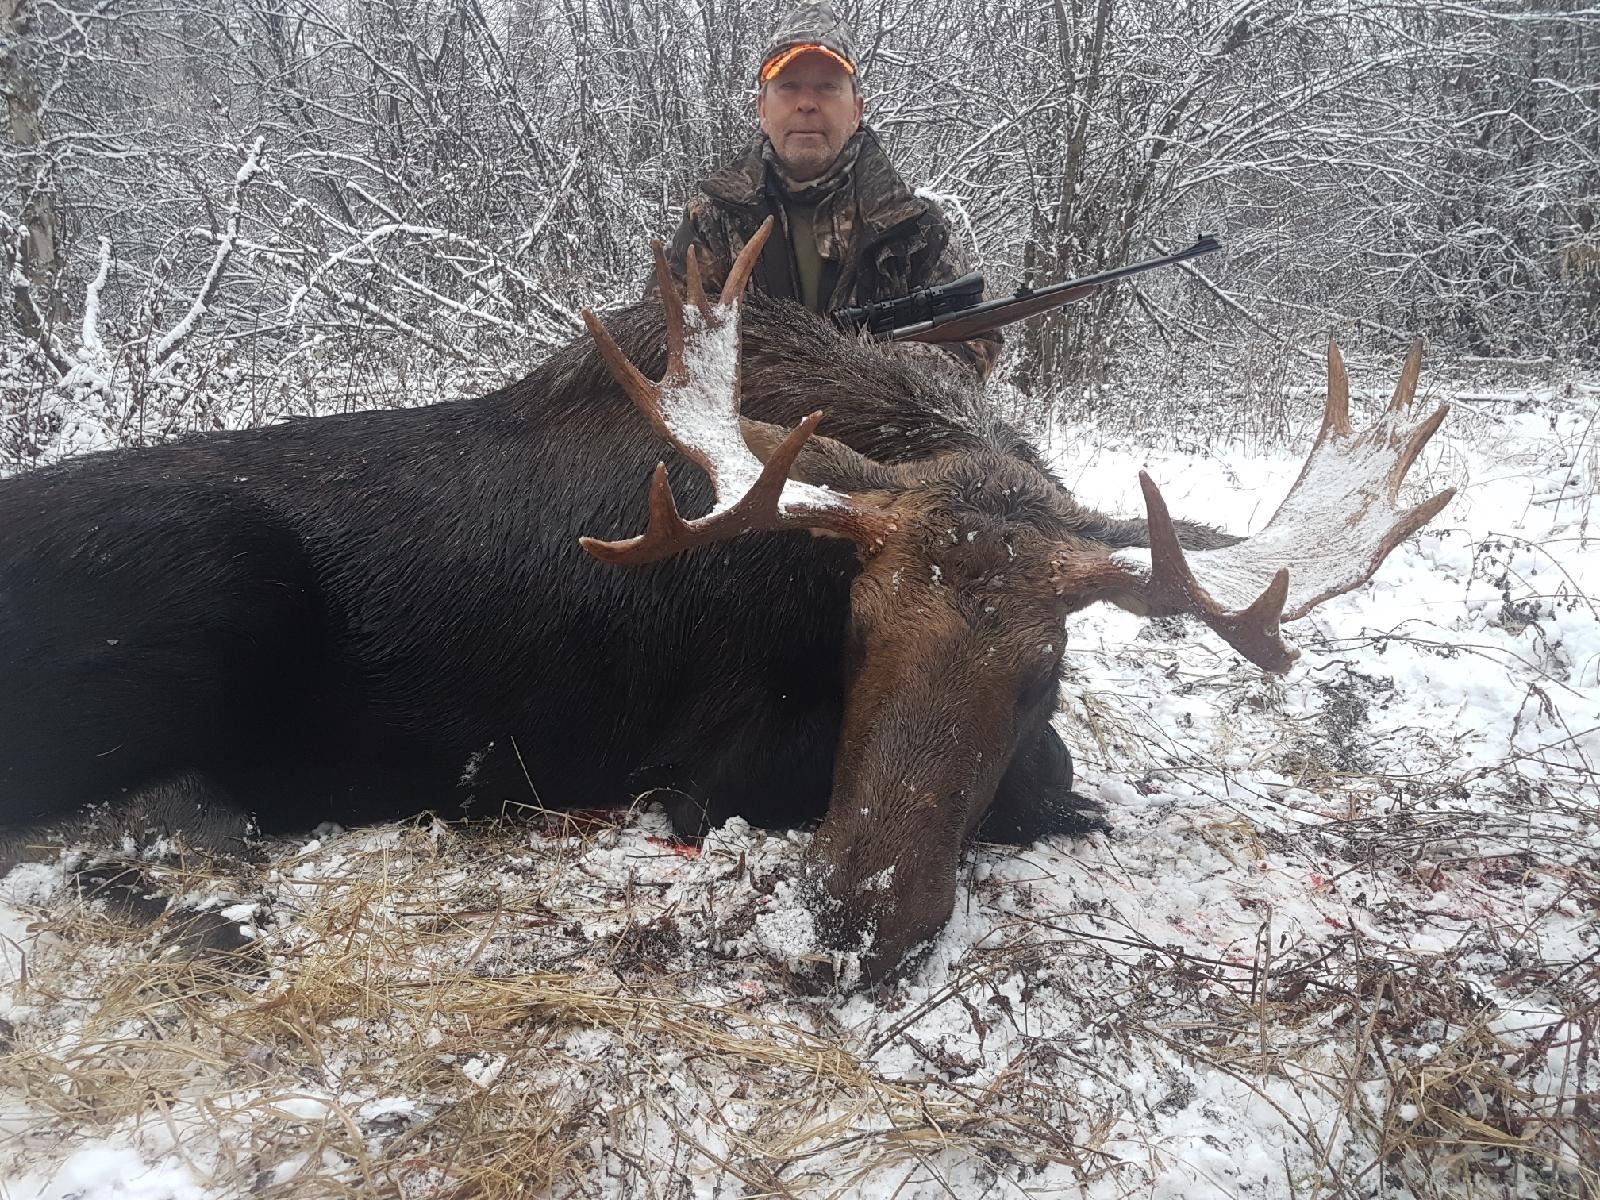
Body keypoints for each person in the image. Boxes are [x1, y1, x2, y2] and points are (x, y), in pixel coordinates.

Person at [662, 3, 1001, 382]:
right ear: (762, 108)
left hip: (879, 420)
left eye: (827, 87)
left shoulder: (915, 228)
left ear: (856, 109)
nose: (807, 104)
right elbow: (662, 341)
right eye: (788, 86)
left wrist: (875, 371)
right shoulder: (710, 221)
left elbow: (976, 343)